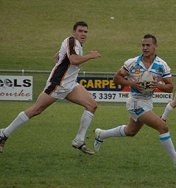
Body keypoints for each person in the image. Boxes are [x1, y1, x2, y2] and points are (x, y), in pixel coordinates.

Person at [93, 34, 176, 170]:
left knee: (131, 131)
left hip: (147, 102)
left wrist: (157, 85)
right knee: (162, 127)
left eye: (148, 45)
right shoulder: (132, 62)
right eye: (143, 45)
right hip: (134, 102)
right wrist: (132, 84)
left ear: (155, 46)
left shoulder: (162, 65)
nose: (145, 48)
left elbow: (170, 88)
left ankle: (101, 134)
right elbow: (116, 78)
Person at [0, 21, 101, 154]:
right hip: (58, 84)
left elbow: (58, 56)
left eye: (85, 31)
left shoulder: (74, 44)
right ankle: (3, 133)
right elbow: (74, 60)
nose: (83, 34)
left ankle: (79, 140)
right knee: (36, 110)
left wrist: (61, 57)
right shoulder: (72, 41)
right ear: (74, 32)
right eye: (80, 31)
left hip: (69, 85)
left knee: (91, 105)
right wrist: (90, 56)